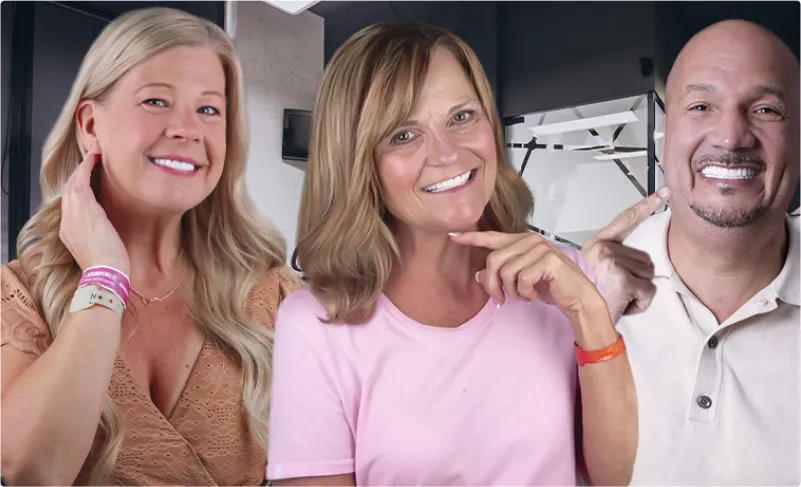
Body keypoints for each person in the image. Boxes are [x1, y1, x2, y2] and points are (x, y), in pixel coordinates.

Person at [267, 22, 638, 486]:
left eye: (461, 117)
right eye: (404, 135)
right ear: (359, 162)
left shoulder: (564, 281)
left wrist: (588, 310)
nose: (447, 153)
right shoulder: (315, 324)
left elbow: (612, 475)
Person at [0, 7, 299, 485]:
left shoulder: (276, 295)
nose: (187, 129)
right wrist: (104, 274)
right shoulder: (17, 296)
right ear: (91, 125)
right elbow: (32, 471)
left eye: (208, 109)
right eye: (157, 101)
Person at [583, 19, 800, 485]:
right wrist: (586, 324)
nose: (730, 136)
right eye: (701, 106)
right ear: (666, 137)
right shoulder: (575, 299)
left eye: (765, 110)